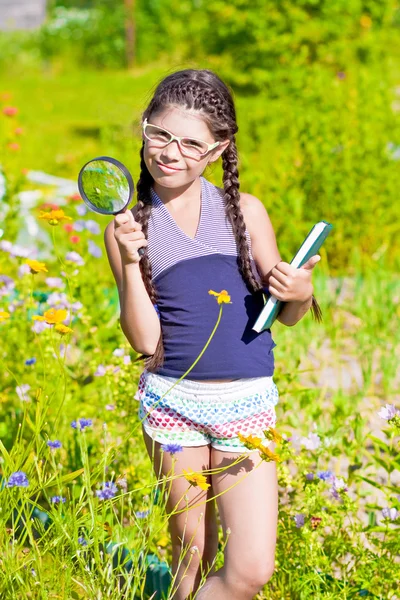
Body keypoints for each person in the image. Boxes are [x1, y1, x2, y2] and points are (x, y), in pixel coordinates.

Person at [104, 68, 322, 600]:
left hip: (245, 406)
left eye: (190, 143)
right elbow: (142, 340)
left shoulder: (245, 213)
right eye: (160, 134)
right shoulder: (128, 225)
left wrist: (297, 290)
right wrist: (132, 265)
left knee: (250, 569)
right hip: (173, 402)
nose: (169, 152)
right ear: (143, 129)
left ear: (218, 148)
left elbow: (286, 316)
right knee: (191, 554)